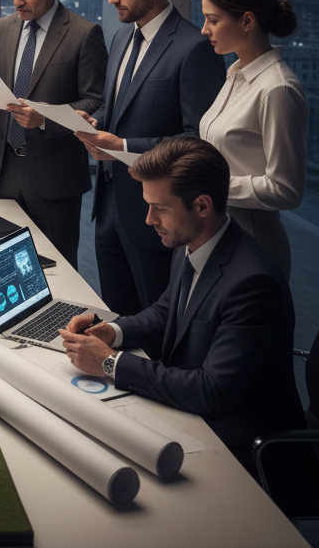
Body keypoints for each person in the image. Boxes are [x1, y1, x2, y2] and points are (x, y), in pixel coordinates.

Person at [60, 136, 303, 469]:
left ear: (202, 206)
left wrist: (109, 363)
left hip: (241, 447)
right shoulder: (191, 243)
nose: (149, 219)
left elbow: (212, 392)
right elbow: (167, 311)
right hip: (190, 414)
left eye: (160, 208)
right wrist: (112, 332)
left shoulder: (253, 284)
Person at [74, 0, 225, 316]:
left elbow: (197, 141)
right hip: (108, 211)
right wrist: (95, 120)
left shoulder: (194, 48)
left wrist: (124, 147)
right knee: (118, 322)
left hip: (158, 218)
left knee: (158, 325)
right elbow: (115, 107)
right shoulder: (121, 37)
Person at [0, 0, 106, 269]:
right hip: (5, 171)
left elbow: (96, 101)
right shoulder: (2, 28)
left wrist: (44, 119)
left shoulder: (84, 34)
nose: (17, 1)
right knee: (5, 265)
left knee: (56, 268)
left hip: (55, 176)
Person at [199, 0, 306, 278]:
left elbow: (286, 189)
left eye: (213, 20)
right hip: (217, 233)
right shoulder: (235, 73)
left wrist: (209, 187)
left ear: (247, 21)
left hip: (253, 242)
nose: (204, 29)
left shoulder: (278, 88)